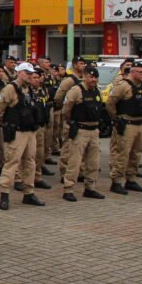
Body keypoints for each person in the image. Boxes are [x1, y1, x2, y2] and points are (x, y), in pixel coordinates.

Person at [0, 62, 44, 210]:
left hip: (30, 132)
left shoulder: (29, 89)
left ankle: (28, 193)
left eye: (31, 73)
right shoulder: (10, 88)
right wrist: (8, 125)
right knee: (11, 163)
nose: (29, 76)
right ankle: (4, 195)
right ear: (19, 72)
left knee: (30, 162)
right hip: (17, 132)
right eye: (27, 73)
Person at [60, 66, 105, 201]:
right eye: (91, 77)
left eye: (95, 77)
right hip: (81, 130)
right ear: (84, 76)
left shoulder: (97, 91)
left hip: (94, 131)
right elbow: (66, 110)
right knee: (75, 161)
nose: (93, 80)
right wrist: (72, 123)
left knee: (93, 162)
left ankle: (90, 188)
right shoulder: (76, 91)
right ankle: (68, 189)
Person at [106, 62, 142, 194]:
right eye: (141, 72)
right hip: (127, 124)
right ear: (133, 72)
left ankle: (131, 179)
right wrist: (116, 119)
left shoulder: (140, 86)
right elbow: (110, 102)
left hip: (138, 123)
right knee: (123, 154)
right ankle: (117, 181)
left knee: (136, 154)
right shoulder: (123, 86)